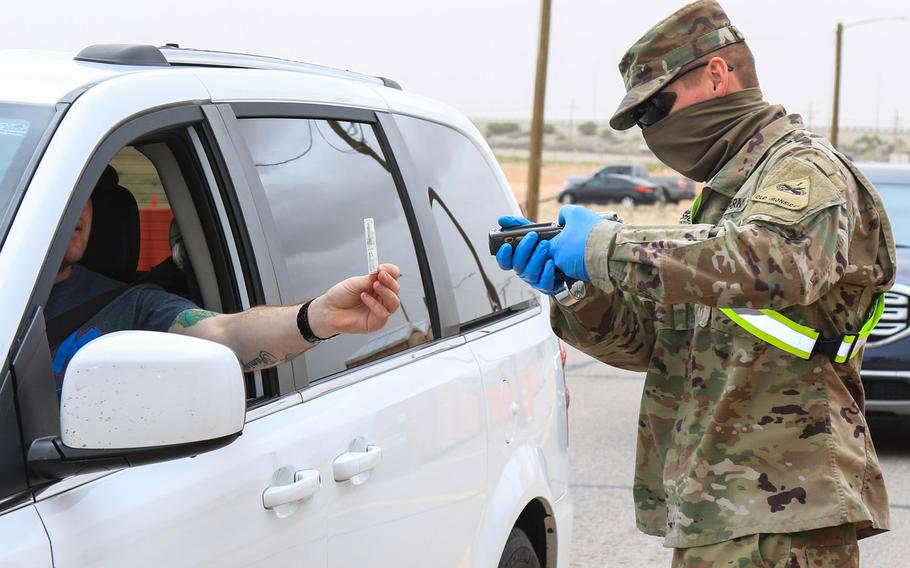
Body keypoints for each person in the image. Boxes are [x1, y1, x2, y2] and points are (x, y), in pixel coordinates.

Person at [495, 1, 895, 566]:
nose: (651, 129)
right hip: (717, 506)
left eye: (656, 106)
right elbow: (655, 347)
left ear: (716, 74)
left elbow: (775, 263)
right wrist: (576, 288)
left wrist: (605, 247)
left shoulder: (801, 169)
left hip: (784, 505)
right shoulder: (724, 197)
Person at [49, 190, 402, 387]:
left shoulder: (133, 306)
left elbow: (226, 334)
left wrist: (320, 316)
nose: (78, 206)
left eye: (86, 192)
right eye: (62, 190)